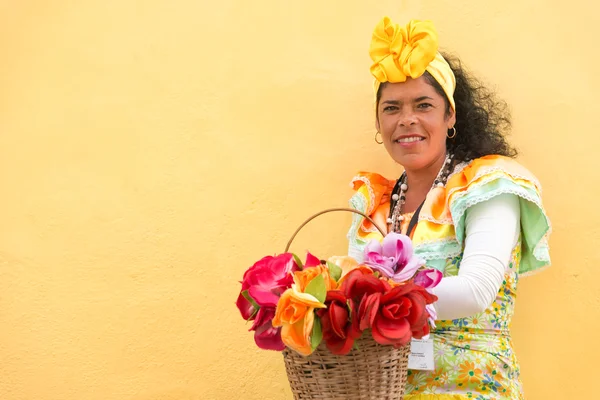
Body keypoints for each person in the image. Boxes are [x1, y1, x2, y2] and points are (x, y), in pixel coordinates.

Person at [346, 17, 551, 400]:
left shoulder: (488, 185)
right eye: (392, 108)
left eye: (423, 105)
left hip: (470, 389)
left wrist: (369, 304)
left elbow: (476, 290)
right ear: (379, 121)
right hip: (386, 390)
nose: (407, 119)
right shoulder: (374, 203)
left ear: (450, 115)